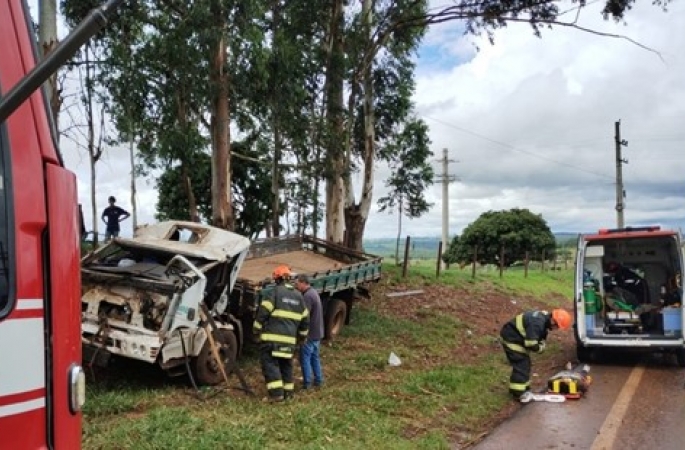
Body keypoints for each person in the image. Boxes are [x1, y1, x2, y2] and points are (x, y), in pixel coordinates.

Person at [253, 265, 309, 402]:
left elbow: (263, 313)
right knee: (286, 365)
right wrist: (301, 337)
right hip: (289, 342)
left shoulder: (274, 293)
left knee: (270, 365)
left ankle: (277, 395)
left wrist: (256, 330)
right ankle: (288, 393)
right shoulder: (299, 296)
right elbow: (305, 320)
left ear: (277, 279)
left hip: (272, 341)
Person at [499, 309, 572, 402]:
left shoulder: (542, 319)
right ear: (553, 321)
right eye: (557, 326)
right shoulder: (537, 323)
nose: (556, 329)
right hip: (511, 339)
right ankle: (518, 393)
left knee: (525, 363)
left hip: (515, 337)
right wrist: (540, 348)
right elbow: (531, 343)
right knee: (521, 363)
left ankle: (523, 389)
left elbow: (537, 337)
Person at [295, 274, 324, 389]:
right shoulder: (314, 293)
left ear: (303, 283)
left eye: (297, 284)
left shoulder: (307, 296)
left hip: (310, 333)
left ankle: (307, 383)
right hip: (318, 332)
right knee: (315, 357)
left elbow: (304, 316)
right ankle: (318, 380)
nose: (296, 287)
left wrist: (300, 331)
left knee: (305, 358)